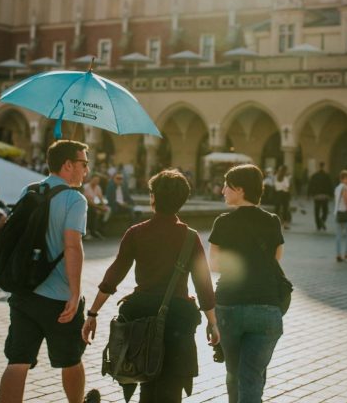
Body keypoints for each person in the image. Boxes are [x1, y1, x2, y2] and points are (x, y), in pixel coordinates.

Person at [81, 169, 218, 402]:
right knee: (171, 387)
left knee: (145, 377)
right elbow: (203, 285)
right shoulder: (190, 237)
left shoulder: (136, 233)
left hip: (140, 318)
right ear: (182, 201)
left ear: (153, 198)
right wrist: (213, 323)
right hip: (177, 319)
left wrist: (92, 314)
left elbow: (113, 276)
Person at [0, 140, 100, 403]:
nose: (86, 170)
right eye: (84, 163)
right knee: (71, 360)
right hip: (59, 298)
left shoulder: (29, 191)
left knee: (17, 362)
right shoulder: (74, 199)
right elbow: (72, 247)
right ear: (68, 165)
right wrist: (75, 294)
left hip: (24, 290)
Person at [208, 164, 287, 403]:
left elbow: (213, 264)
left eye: (227, 186)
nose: (222, 190)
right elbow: (277, 260)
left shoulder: (223, 222)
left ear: (240, 189)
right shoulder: (272, 221)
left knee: (235, 373)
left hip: (230, 306)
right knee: (252, 375)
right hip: (266, 307)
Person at [334, 170, 347, 262]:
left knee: (338, 235)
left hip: (338, 213)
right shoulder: (345, 188)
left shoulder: (337, 188)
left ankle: (338, 254)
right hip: (345, 213)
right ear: (344, 178)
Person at [307, 162, 334, 231]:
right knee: (325, 211)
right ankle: (322, 220)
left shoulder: (315, 176)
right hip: (325, 196)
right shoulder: (327, 176)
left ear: (319, 166)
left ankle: (318, 225)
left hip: (316, 196)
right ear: (324, 166)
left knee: (317, 211)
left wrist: (308, 194)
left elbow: (310, 185)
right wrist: (331, 195)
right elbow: (330, 186)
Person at [82, 174, 109, 240]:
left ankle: (98, 230)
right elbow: (88, 201)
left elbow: (100, 197)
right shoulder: (85, 187)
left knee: (106, 211)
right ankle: (89, 231)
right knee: (93, 211)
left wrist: (104, 206)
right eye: (95, 180)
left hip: (93, 205)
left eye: (98, 180)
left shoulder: (98, 187)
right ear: (91, 179)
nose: (96, 182)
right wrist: (99, 208)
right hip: (85, 205)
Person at [273, 165, 291, 230]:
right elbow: (287, 187)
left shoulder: (276, 177)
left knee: (277, 209)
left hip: (278, 194)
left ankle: (274, 223)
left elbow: (275, 186)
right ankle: (285, 224)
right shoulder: (285, 178)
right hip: (284, 194)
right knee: (285, 209)